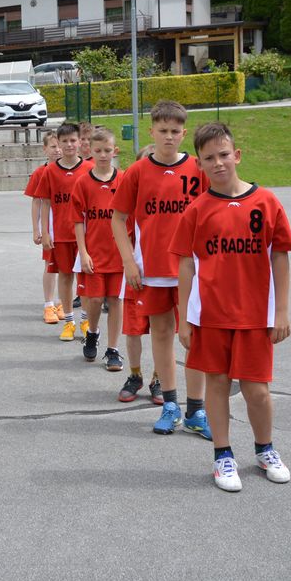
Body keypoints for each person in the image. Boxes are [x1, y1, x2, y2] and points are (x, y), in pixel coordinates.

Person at [170, 122, 291, 491]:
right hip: (211, 316)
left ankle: (265, 448)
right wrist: (184, 320)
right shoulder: (197, 210)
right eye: (209, 158)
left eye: (224, 154)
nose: (218, 163)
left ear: (236, 155)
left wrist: (281, 312)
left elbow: (280, 257)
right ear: (199, 164)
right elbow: (186, 266)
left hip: (255, 316)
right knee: (218, 384)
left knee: (257, 390)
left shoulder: (266, 202)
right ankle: (222, 455)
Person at [111, 100, 210, 438]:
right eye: (163, 130)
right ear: (151, 131)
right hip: (151, 270)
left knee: (194, 339)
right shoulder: (137, 172)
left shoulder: (197, 168)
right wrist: (129, 261)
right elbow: (118, 218)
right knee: (162, 335)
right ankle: (170, 404)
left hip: (192, 271)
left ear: (184, 133)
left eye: (175, 131)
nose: (169, 136)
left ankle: (196, 409)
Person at [72, 127, 123, 368]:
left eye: (107, 150)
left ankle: (113, 349)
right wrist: (83, 253)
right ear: (90, 151)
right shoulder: (83, 182)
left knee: (115, 301)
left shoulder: (124, 180)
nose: (103, 155)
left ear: (115, 151)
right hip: (94, 253)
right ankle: (92, 332)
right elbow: (78, 220)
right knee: (93, 300)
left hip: (119, 254)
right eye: (98, 150)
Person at [117, 145, 162, 404]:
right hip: (136, 274)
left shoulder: (167, 202)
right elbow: (119, 231)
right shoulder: (129, 201)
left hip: (163, 275)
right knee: (133, 329)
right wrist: (128, 263)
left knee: (161, 330)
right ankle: (135, 375)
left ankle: (159, 378)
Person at [39, 123, 92, 341]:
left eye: (73, 140)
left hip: (86, 237)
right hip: (61, 234)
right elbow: (45, 202)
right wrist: (45, 232)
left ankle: (86, 321)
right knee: (65, 276)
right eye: (65, 141)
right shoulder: (50, 171)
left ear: (80, 142)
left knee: (86, 279)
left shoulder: (89, 169)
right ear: (59, 144)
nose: (69, 145)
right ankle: (69, 321)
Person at [26, 132, 63, 324]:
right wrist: (37, 229)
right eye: (53, 147)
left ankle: (62, 303)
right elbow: (36, 202)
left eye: (59, 146)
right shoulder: (41, 173)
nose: (58, 150)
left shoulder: (71, 171)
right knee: (50, 265)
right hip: (50, 228)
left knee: (67, 269)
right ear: (45, 149)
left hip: (68, 227)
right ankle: (49, 304)